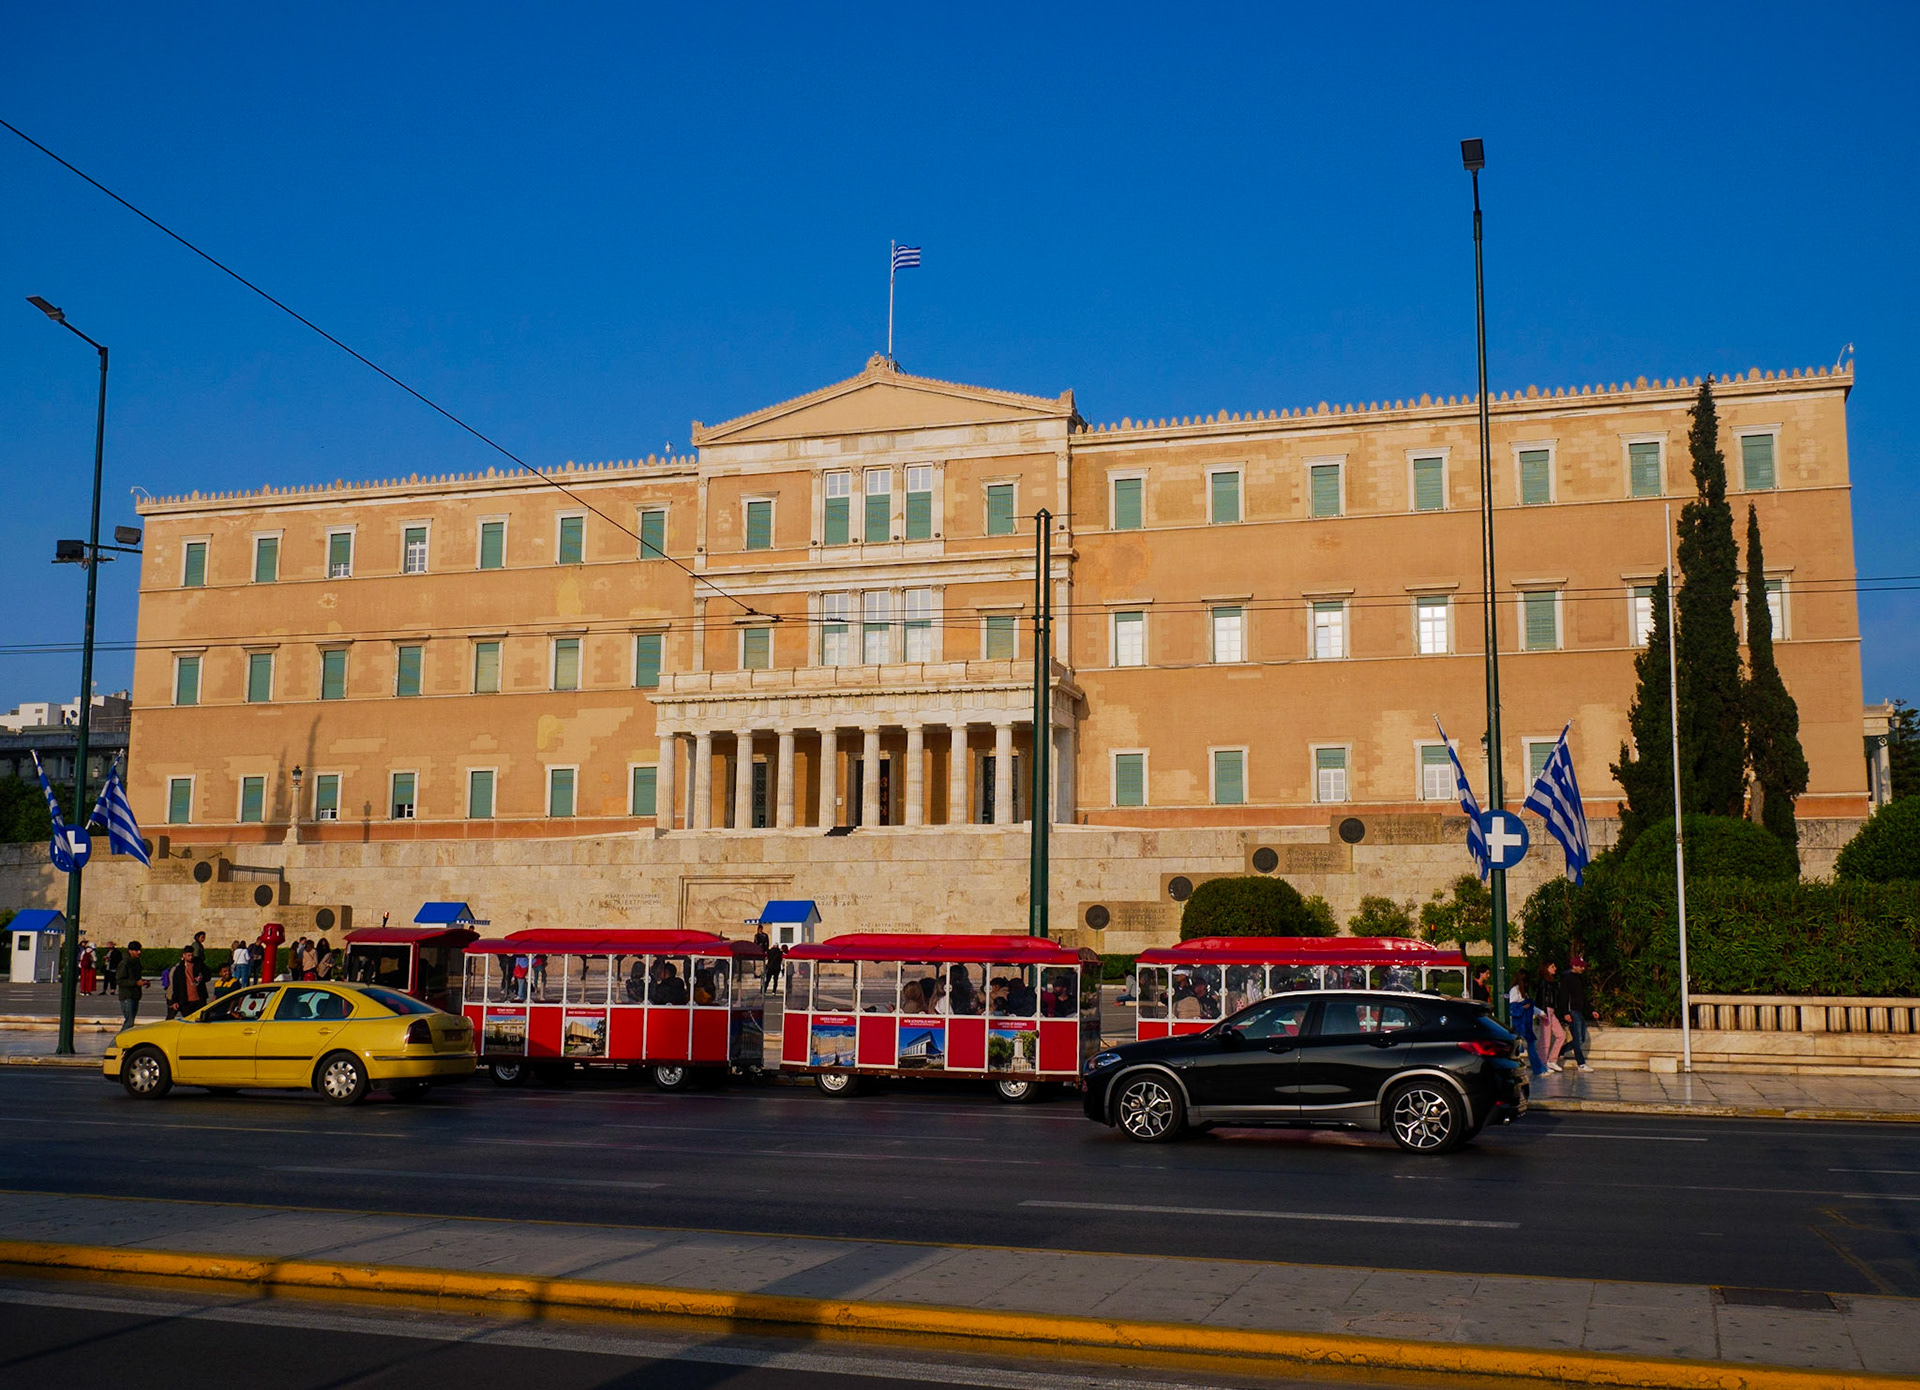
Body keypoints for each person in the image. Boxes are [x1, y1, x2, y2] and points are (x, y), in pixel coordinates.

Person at [1559, 952, 1594, 1072]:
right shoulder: (1566, 978)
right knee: (1578, 1038)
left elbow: (1582, 996)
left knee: (1581, 1039)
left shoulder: (1579, 979)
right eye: (1580, 966)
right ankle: (1581, 1063)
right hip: (1572, 1011)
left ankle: (1560, 1051)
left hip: (1579, 1011)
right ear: (1574, 966)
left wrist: (1591, 1010)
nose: (1583, 969)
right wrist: (1565, 1012)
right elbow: (1563, 996)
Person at [1531, 963, 1568, 1072]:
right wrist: (1542, 1012)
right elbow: (1540, 997)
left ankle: (1551, 1060)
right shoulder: (1543, 982)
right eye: (1552, 967)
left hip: (1551, 1010)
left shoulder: (1552, 982)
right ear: (1546, 968)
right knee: (1545, 1039)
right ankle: (1542, 1063)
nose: (1555, 969)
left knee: (1560, 1035)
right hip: (1546, 1010)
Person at [115, 942, 145, 1028]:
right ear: (130, 951)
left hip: (135, 995)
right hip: (127, 996)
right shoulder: (125, 963)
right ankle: (117, 1041)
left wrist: (142, 982)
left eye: (140, 950)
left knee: (130, 1022)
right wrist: (136, 983)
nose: (139, 952)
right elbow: (120, 980)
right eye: (136, 950)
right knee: (129, 1022)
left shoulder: (136, 962)